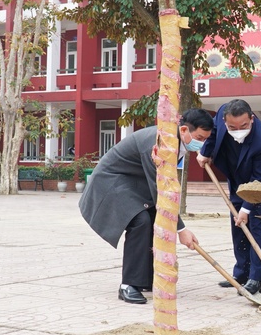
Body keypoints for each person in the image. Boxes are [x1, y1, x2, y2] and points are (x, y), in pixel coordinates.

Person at [79, 108, 214, 304]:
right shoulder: (159, 143)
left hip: (134, 183)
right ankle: (128, 285)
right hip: (112, 182)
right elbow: (160, 191)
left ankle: (148, 279)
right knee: (140, 221)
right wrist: (181, 229)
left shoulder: (176, 140)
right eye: (199, 138)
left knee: (154, 221)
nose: (201, 143)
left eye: (205, 139)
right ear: (184, 129)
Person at [196, 99, 261, 295]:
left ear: (251, 119)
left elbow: (259, 180)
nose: (238, 129)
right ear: (225, 120)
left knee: (257, 230)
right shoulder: (221, 115)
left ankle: (256, 279)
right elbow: (214, 134)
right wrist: (205, 152)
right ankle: (242, 273)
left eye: (243, 126)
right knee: (238, 230)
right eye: (232, 127)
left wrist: (246, 209)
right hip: (237, 182)